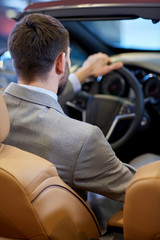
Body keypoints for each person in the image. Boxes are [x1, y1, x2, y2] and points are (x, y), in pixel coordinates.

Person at [3, 13, 136, 203]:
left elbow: (33, 100)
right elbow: (140, 190)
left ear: (15, 59)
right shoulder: (83, 140)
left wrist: (84, 73)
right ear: (60, 62)